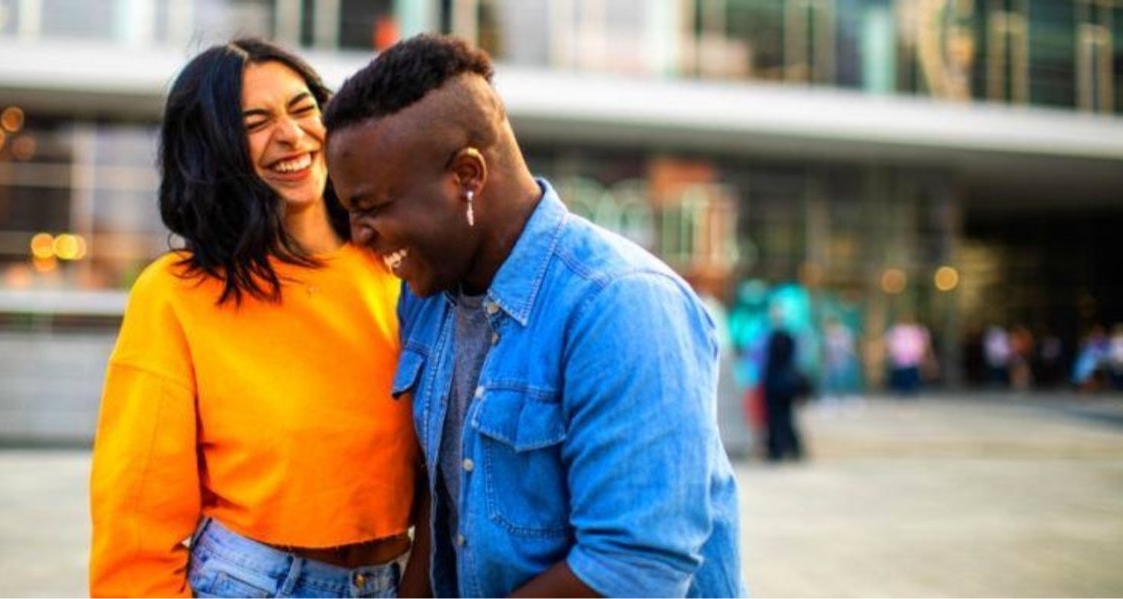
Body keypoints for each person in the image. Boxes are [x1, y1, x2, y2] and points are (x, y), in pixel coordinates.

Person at [324, 34, 745, 598]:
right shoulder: (426, 298)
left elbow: (633, 568)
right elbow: (443, 513)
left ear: (467, 176)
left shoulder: (620, 305)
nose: (359, 235)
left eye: (371, 207)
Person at [89, 38, 420, 598]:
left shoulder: (399, 267)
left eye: (302, 109)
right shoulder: (176, 294)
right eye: (255, 122)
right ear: (214, 149)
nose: (291, 136)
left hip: (398, 580)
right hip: (255, 582)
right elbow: (137, 509)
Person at [761, 310, 806, 461]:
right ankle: (791, 448)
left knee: (776, 418)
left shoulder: (772, 338)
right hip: (786, 385)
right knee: (786, 417)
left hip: (775, 384)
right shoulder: (790, 337)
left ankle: (778, 449)